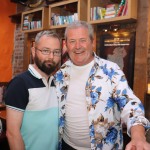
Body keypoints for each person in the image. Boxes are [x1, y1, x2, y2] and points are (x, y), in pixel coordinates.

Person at [54, 21, 150, 150]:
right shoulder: (61, 73)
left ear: (92, 42)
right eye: (72, 41)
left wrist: (138, 136)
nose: (77, 46)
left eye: (83, 40)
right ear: (66, 45)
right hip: (66, 146)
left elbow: (129, 103)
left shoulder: (111, 70)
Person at [5, 30, 61, 150]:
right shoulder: (20, 84)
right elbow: (12, 133)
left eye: (56, 52)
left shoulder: (57, 83)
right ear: (33, 51)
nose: (51, 57)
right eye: (45, 51)